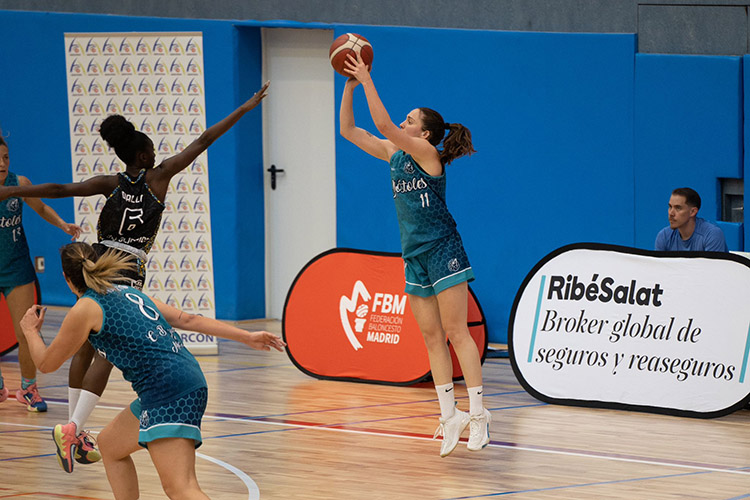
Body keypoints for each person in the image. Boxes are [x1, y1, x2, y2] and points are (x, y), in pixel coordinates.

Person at [0, 81, 270, 465]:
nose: (158, 156)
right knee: (108, 354)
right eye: (153, 152)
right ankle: (73, 428)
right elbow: (204, 140)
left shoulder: (110, 184)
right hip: (125, 271)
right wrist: (244, 108)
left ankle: (73, 427)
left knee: (87, 346)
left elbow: (61, 188)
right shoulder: (159, 179)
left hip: (97, 262)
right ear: (143, 155)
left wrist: (12, 193)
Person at [20, 242, 285, 497]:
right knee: (111, 445)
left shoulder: (85, 308)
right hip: (186, 378)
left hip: (167, 391)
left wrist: (30, 331)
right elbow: (187, 319)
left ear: (66, 278)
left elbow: (46, 364)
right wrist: (246, 336)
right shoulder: (128, 292)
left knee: (180, 488)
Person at [339, 53, 490, 457]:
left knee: (457, 332)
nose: (402, 124)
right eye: (405, 121)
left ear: (424, 134)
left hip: (443, 248)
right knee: (431, 337)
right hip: (414, 256)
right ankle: (450, 415)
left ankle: (478, 414)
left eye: (410, 121)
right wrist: (350, 87)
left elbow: (384, 126)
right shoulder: (395, 155)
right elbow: (348, 130)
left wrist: (367, 78)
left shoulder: (428, 156)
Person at [0, 136, 81, 412]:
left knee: (26, 331)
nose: (2, 163)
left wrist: (62, 225)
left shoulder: (19, 183)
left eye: (6, 157)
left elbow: (42, 207)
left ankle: (28, 388)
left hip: (17, 269)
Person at [655, 187, 728, 252]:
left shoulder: (712, 235)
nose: (671, 213)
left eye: (678, 208)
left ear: (692, 212)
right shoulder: (664, 236)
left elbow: (713, 264)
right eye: (670, 207)